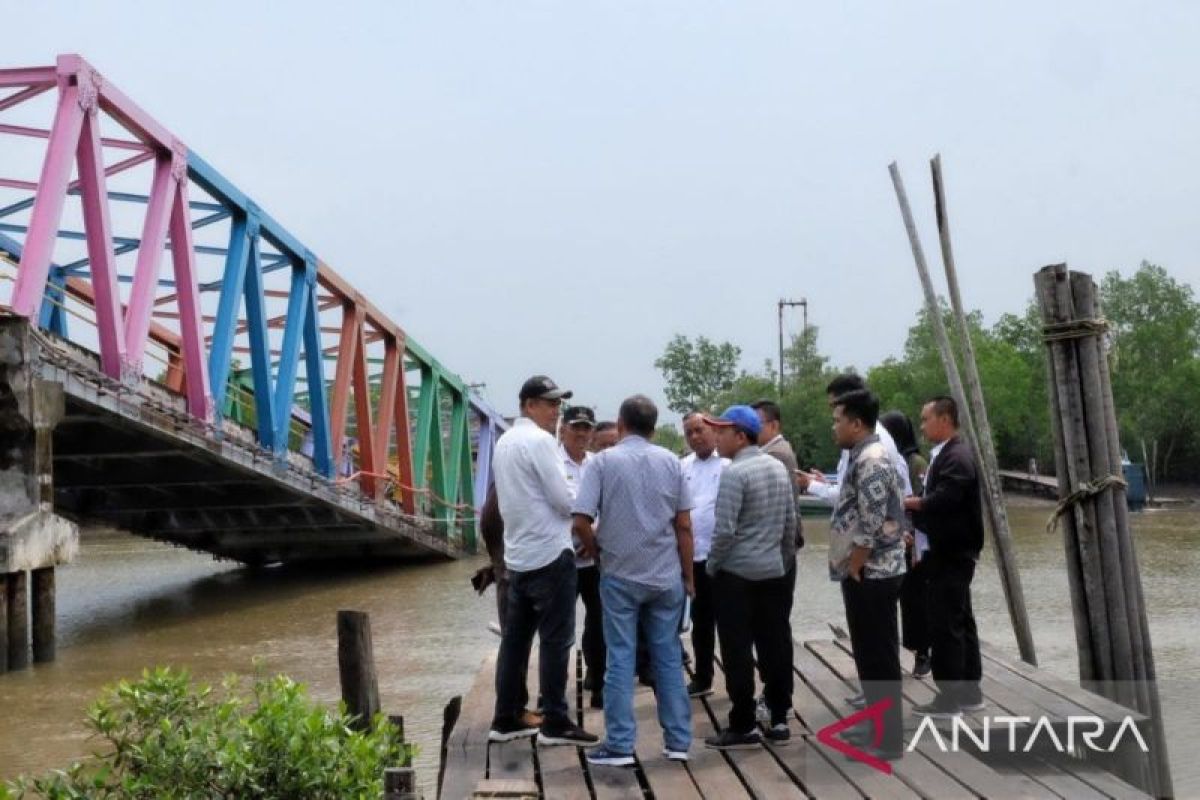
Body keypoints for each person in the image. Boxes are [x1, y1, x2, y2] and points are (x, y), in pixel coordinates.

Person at [572, 395, 695, 766]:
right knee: (668, 659)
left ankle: (621, 745)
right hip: (665, 578)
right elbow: (685, 525)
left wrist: (596, 551)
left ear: (621, 425)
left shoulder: (603, 463)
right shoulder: (672, 462)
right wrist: (689, 577)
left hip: (620, 577)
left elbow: (580, 520)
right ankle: (678, 743)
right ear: (654, 429)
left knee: (620, 660)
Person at [489, 375, 598, 747]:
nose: (556, 411)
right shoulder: (540, 441)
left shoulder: (504, 441)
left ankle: (507, 717)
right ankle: (555, 720)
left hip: (518, 558)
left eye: (558, 404)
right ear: (528, 405)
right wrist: (589, 524)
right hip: (551, 555)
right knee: (556, 641)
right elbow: (564, 499)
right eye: (549, 403)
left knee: (515, 642)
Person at [704, 405, 797, 748]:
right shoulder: (777, 468)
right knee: (776, 644)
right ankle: (779, 716)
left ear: (740, 436)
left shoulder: (734, 474)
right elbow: (790, 525)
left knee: (737, 650)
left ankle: (742, 723)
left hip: (737, 576)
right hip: (774, 572)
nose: (716, 437)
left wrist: (712, 567)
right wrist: (782, 561)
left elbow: (725, 532)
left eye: (721, 431)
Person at [827, 389, 907, 762]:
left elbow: (872, 523)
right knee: (867, 653)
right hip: (864, 571)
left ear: (857, 424)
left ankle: (889, 738)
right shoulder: (859, 455)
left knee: (879, 655)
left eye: (838, 419)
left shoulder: (873, 459)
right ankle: (875, 724)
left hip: (873, 572)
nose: (834, 426)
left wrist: (856, 564)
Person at [906, 396, 986, 718]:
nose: (922, 426)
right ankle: (969, 692)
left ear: (944, 419)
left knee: (945, 624)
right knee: (959, 619)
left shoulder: (957, 456)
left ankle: (951, 699)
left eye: (926, 419)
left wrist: (911, 503)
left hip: (952, 553)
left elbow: (945, 500)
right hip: (948, 551)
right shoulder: (946, 455)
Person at [880, 410, 932, 679]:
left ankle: (923, 654)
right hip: (893, 541)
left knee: (914, 602)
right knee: (894, 602)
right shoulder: (888, 459)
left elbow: (921, 503)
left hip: (912, 543)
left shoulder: (915, 463)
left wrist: (908, 537)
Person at [559, 405, 605, 708]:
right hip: (561, 558)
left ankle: (599, 682)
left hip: (594, 558)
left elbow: (609, 504)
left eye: (587, 428)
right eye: (576, 427)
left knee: (600, 621)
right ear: (563, 429)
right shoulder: (551, 463)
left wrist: (594, 535)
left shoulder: (598, 465)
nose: (582, 433)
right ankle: (553, 695)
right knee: (560, 627)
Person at [680, 411, 728, 698]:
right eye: (690, 432)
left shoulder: (729, 465)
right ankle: (703, 677)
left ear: (714, 430)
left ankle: (737, 681)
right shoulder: (681, 465)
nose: (696, 436)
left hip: (722, 557)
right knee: (700, 622)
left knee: (730, 622)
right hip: (693, 556)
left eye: (700, 430)